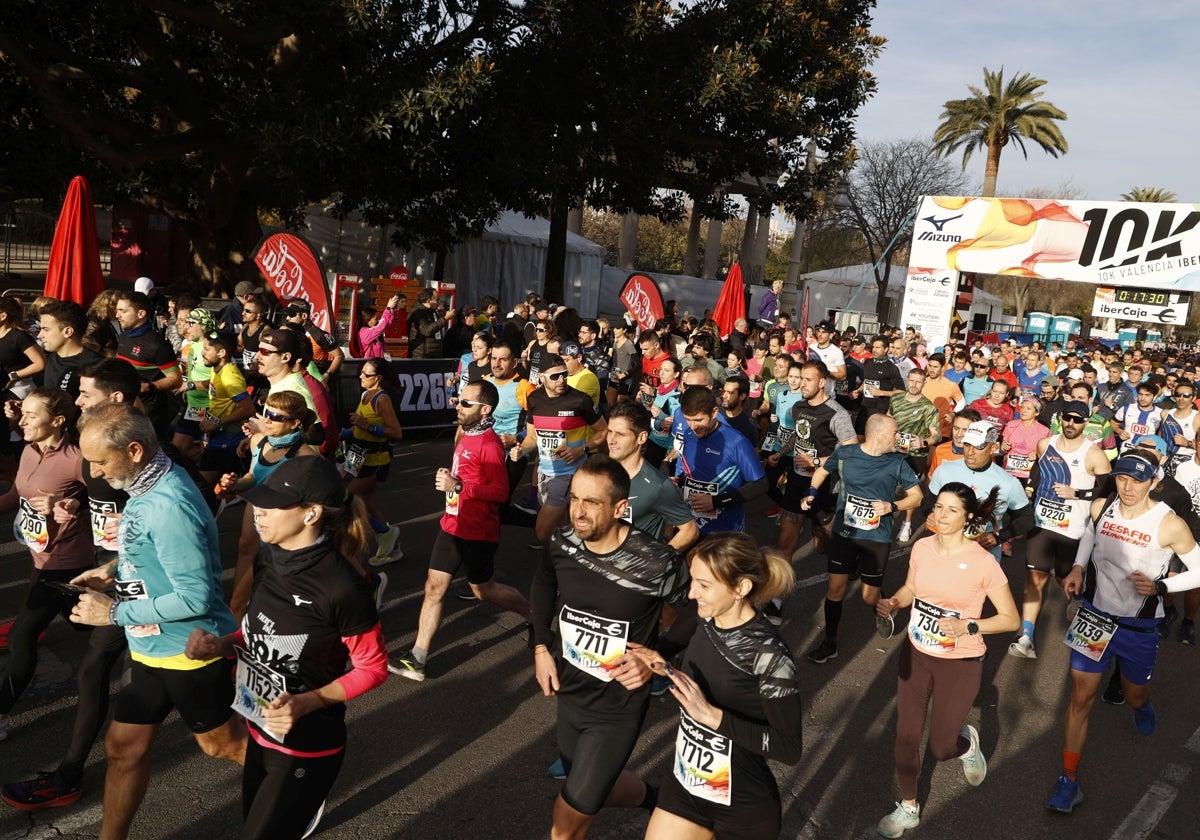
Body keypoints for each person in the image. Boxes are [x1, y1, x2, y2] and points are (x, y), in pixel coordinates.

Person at [69, 403, 246, 840]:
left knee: (220, 746)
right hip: (152, 647)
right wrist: (112, 570)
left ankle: (297, 778)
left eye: (99, 461)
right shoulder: (151, 478)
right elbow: (150, 547)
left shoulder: (168, 504)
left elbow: (195, 596)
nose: (93, 473)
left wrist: (110, 611)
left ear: (133, 450)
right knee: (123, 748)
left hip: (190, 651)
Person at [186, 456, 387, 838]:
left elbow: (373, 669)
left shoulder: (342, 587)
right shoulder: (268, 558)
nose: (258, 511)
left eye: (273, 504)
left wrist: (305, 702)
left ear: (311, 514)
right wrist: (221, 646)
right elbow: (261, 631)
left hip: (307, 745)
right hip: (259, 729)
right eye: (259, 501)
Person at [528, 456, 690, 840]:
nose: (578, 513)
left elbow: (700, 609)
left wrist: (658, 658)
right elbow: (543, 583)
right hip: (570, 696)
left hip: (617, 710)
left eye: (592, 503)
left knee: (564, 826)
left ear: (621, 508)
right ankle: (661, 800)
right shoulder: (564, 541)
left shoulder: (656, 561)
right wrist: (539, 647)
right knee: (594, 787)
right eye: (575, 499)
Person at [1047, 449, 1200, 813]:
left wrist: (1161, 587)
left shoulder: (1169, 524)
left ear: (1154, 482)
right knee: (1081, 698)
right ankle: (1069, 780)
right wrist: (1078, 568)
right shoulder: (1102, 507)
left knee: (1133, 696)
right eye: (1122, 478)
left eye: (1138, 480)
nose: (1128, 486)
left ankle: (1142, 705)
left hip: (1138, 627)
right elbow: (1090, 534)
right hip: (1096, 616)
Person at [874, 484, 1020, 837]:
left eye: (952, 510)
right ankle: (909, 806)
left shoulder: (983, 563)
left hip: (960, 663)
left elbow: (1010, 619)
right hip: (917, 654)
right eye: (938, 507)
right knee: (906, 735)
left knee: (941, 748)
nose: (941, 515)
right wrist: (894, 602)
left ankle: (967, 744)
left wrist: (968, 625)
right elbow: (911, 588)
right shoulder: (922, 547)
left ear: (968, 517)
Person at [635, 533, 801, 840]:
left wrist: (713, 717)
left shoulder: (769, 656)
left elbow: (788, 748)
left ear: (741, 588)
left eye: (704, 585)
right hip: (685, 786)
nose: (693, 592)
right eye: (693, 580)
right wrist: (657, 663)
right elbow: (672, 653)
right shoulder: (703, 617)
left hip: (742, 807)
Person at [390, 380, 530, 682]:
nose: (458, 406)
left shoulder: (490, 445)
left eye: (466, 403)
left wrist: (460, 486)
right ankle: (418, 658)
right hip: (452, 525)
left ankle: (535, 617)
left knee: (484, 590)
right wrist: (452, 478)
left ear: (485, 410)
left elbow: (500, 492)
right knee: (433, 587)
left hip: (478, 531)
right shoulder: (468, 434)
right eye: (459, 400)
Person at [0, 389, 92, 743]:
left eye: (30, 415)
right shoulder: (27, 449)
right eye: (21, 413)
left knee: (24, 633)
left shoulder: (75, 458)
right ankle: (120, 627)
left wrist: (73, 504)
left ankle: (2, 711)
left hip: (66, 559)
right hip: (39, 554)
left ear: (57, 421)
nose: (21, 421)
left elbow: (107, 493)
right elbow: (17, 496)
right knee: (81, 620)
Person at [803, 414, 923, 664]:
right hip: (844, 534)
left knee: (869, 597)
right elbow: (821, 472)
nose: (898, 437)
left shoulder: (897, 462)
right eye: (895, 433)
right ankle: (830, 642)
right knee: (835, 589)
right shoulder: (846, 454)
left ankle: (883, 606)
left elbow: (917, 497)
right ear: (878, 434)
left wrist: (892, 506)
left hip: (876, 538)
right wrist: (812, 493)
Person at [1008, 399, 1111, 660]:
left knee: (1066, 582)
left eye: (1077, 420)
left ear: (1086, 423)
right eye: (1067, 418)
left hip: (1074, 531)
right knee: (1034, 579)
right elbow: (1038, 472)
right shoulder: (1045, 444)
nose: (1071, 424)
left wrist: (1076, 493)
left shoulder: (1094, 454)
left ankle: (1087, 638)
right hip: (1042, 525)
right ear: (1060, 419)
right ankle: (1026, 637)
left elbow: (1107, 494)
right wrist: (1029, 490)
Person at [220, 390, 321, 620]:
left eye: (276, 416)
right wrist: (236, 483)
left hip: (286, 526)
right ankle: (237, 623)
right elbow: (253, 477)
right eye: (267, 413)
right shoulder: (259, 441)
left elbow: (320, 497)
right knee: (246, 557)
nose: (267, 419)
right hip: (258, 510)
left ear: (295, 423)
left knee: (278, 582)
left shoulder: (306, 457)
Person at [510, 354, 607, 545]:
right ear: (541, 378)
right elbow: (532, 437)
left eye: (564, 374)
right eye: (555, 377)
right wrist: (521, 450)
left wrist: (582, 449)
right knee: (564, 525)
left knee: (542, 531)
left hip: (570, 473)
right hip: (544, 472)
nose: (561, 380)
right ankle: (575, 560)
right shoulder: (535, 399)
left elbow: (604, 430)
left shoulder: (580, 400)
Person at [770, 360, 857, 560]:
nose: (802, 384)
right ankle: (778, 592)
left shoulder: (836, 413)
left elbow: (851, 450)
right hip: (796, 481)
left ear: (821, 383)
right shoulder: (799, 407)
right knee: (784, 543)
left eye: (808, 380)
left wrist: (816, 461)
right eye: (801, 379)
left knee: (823, 546)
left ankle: (852, 561)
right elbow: (799, 435)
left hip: (826, 486)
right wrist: (781, 452)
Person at [604, 401, 699, 552]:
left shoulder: (658, 486)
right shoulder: (600, 473)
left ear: (641, 438)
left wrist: (659, 561)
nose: (611, 440)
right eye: (610, 431)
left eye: (620, 434)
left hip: (634, 571)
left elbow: (690, 531)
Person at [675, 386, 767, 535]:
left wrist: (715, 501)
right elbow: (692, 472)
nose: (693, 427)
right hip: (691, 527)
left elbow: (761, 485)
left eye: (698, 420)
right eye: (688, 420)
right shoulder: (688, 434)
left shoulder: (737, 441)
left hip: (725, 529)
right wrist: (678, 480)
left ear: (714, 413)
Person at [344, 358, 405, 565]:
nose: (361, 376)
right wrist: (342, 434)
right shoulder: (365, 394)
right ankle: (392, 548)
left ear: (378, 378)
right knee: (367, 504)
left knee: (347, 499)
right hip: (359, 456)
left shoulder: (382, 399)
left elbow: (397, 433)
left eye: (366, 374)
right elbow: (359, 427)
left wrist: (369, 427)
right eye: (361, 373)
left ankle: (387, 533)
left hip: (375, 459)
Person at [115, 291, 182, 440]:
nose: (117, 315)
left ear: (141, 314)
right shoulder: (124, 336)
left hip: (150, 414)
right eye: (117, 310)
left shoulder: (157, 345)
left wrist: (148, 387)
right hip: (124, 409)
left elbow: (176, 380)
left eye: (123, 311)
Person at [889, 368, 941, 542]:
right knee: (886, 484)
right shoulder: (896, 398)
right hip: (893, 450)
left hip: (915, 454)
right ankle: (886, 517)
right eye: (911, 380)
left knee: (908, 490)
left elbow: (937, 434)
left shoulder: (927, 406)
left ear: (924, 383)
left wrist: (923, 442)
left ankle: (907, 523)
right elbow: (888, 418)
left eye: (918, 382)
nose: (913, 384)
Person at [38, 300, 103, 398]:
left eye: (45, 329)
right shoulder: (52, 358)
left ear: (67, 331)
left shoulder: (95, 366)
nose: (40, 335)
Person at [857, 336, 906, 435]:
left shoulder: (891, 368)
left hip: (879, 409)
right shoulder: (868, 363)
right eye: (873, 347)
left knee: (874, 438)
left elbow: (901, 391)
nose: (874, 350)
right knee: (859, 436)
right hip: (864, 407)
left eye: (878, 347)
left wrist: (881, 392)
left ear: (886, 349)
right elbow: (866, 380)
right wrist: (858, 390)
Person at [641, 356, 681, 469]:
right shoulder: (660, 389)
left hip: (666, 446)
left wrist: (661, 414)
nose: (661, 373)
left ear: (676, 374)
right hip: (653, 439)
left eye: (667, 370)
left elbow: (676, 422)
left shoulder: (676, 395)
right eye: (661, 369)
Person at [407, 289, 455, 359]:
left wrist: (442, 315)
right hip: (422, 356)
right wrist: (445, 319)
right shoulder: (417, 313)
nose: (439, 302)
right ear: (429, 301)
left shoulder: (432, 311)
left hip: (433, 354)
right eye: (437, 300)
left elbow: (435, 326)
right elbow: (426, 330)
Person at [354, 294, 403, 359]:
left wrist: (392, 309)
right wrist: (388, 308)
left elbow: (386, 323)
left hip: (379, 363)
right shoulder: (363, 332)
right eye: (376, 319)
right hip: (370, 365)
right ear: (368, 320)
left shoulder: (376, 333)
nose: (378, 321)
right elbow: (381, 326)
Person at [718, 375, 758, 445]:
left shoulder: (749, 425)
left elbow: (753, 452)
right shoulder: (714, 414)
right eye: (724, 391)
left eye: (730, 393)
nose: (724, 396)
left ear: (742, 396)